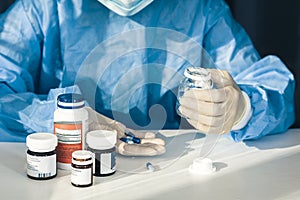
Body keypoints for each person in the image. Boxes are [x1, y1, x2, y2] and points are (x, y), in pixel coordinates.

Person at [0, 0, 295, 156]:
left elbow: (271, 86)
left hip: (172, 168)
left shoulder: (201, 9)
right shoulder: (42, 9)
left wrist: (241, 107)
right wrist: (61, 119)